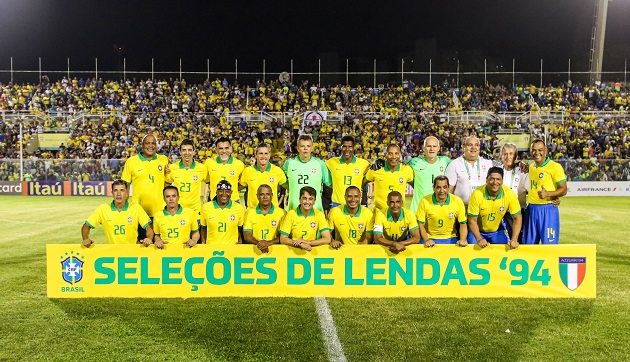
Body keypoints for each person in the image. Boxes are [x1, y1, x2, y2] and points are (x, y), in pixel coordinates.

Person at [121, 134, 169, 238]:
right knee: (140, 247)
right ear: (142, 145)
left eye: (153, 143)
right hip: (138, 213)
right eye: (147, 143)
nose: (150, 146)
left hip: (159, 213)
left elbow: (168, 183)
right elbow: (125, 187)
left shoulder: (164, 160)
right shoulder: (131, 162)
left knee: (159, 248)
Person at [82, 179, 153, 246]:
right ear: (112, 193)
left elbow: (149, 227)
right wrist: (85, 239)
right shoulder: (103, 209)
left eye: (122, 190)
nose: (119, 194)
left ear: (126, 193)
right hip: (113, 252)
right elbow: (86, 226)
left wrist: (149, 238)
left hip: (133, 252)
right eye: (116, 190)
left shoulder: (135, 208)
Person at [522, 139, 567, 244]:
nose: (537, 153)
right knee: (528, 245)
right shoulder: (532, 167)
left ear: (545, 150)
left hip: (548, 209)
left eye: (540, 150)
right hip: (531, 209)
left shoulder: (555, 167)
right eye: (534, 150)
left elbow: (563, 189)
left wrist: (549, 194)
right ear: (530, 151)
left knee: (549, 245)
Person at [467, 167, 522, 248]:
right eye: (492, 179)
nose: (495, 182)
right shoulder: (477, 194)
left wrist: (514, 239)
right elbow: (472, 220)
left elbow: (517, 218)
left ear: (502, 181)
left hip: (497, 231)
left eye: (498, 179)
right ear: (486, 180)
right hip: (478, 231)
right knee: (472, 249)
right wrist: (479, 239)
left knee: (505, 250)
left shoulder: (509, 194)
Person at [282, 134, 332, 212]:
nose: (305, 148)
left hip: (316, 210)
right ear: (298, 148)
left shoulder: (320, 164)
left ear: (312, 148)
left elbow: (329, 185)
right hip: (294, 210)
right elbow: (284, 183)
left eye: (308, 146)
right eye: (302, 146)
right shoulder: (289, 163)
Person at [416, 176, 468, 246]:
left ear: (448, 188)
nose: (442, 191)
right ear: (433, 188)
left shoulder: (457, 201)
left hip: (451, 238)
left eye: (444, 187)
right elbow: (420, 225)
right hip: (430, 238)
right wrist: (426, 240)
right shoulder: (424, 201)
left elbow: (463, 224)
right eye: (438, 187)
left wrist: (462, 239)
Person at [364, 143, 414, 214]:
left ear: (400, 155)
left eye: (396, 153)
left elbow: (417, 187)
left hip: (398, 215)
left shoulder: (407, 170)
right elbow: (361, 184)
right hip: (379, 215)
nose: (394, 157)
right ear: (385, 155)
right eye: (390, 154)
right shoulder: (375, 169)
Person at [278, 186, 332, 251]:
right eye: (304, 198)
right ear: (299, 200)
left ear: (314, 201)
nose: (307, 202)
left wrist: (307, 242)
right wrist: (299, 244)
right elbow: (283, 238)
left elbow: (327, 238)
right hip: (293, 251)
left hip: (311, 251)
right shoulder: (291, 214)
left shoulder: (319, 214)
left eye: (310, 199)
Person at [445, 136, 494, 207]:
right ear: (463, 148)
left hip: (484, 208)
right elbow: (449, 190)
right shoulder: (454, 164)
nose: (473, 147)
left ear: (479, 148)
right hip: (462, 209)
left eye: (476, 145)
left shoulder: (488, 164)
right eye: (470, 145)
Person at [407, 136, 451, 214]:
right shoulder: (414, 162)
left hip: (439, 210)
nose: (432, 149)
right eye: (428, 146)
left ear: (438, 148)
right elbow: (402, 172)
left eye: (434, 146)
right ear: (423, 148)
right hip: (418, 210)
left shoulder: (446, 161)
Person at [165, 139, 208, 217]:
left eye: (190, 150)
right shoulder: (172, 168)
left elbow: (210, 182)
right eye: (184, 150)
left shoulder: (202, 168)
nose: (187, 153)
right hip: (178, 211)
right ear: (180, 152)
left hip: (195, 212)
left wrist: (206, 198)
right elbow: (166, 187)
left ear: (194, 151)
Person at [325, 135, 370, 208]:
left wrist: (369, 195)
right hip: (337, 205)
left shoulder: (364, 164)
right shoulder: (332, 162)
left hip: (355, 204)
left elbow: (372, 176)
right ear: (341, 147)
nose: (347, 149)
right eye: (344, 146)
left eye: (350, 147)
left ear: (354, 148)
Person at [239, 142, 287, 209]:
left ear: (269, 155)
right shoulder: (247, 171)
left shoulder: (278, 171)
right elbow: (237, 188)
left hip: (271, 215)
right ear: (256, 155)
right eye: (261, 153)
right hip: (253, 215)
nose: (263, 156)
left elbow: (289, 187)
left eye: (266, 153)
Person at [243, 184, 287, 253]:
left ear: (272, 195)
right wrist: (260, 244)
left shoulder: (282, 213)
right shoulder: (250, 212)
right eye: (262, 194)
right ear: (257, 196)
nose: (265, 197)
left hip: (277, 252)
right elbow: (247, 235)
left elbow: (284, 236)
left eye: (268, 194)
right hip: (254, 252)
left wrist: (269, 243)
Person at [498, 143, 529, 241]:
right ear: (501, 156)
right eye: (505, 154)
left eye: (511, 154)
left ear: (516, 156)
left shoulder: (523, 171)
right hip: (500, 212)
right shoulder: (497, 170)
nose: (508, 157)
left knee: (518, 241)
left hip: (518, 212)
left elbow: (532, 190)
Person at [200, 180, 245, 244]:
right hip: (211, 249)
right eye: (221, 191)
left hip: (231, 249)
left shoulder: (239, 208)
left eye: (227, 191)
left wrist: (239, 244)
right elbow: (203, 228)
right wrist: (203, 244)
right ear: (216, 192)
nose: (224, 194)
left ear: (231, 192)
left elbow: (240, 230)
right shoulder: (205, 207)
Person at [204, 137, 245, 204]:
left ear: (231, 149)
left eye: (226, 148)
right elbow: (208, 181)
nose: (224, 151)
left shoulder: (239, 164)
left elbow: (243, 183)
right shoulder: (208, 163)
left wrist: (232, 189)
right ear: (216, 150)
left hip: (234, 202)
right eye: (221, 148)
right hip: (214, 202)